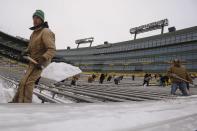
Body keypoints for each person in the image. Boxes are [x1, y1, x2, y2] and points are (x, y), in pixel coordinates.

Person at [11, 10, 56, 103]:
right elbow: (30, 47)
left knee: (28, 84)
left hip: (40, 63)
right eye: (34, 18)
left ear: (42, 20)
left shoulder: (46, 32)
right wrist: (25, 52)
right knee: (22, 82)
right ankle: (15, 101)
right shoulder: (34, 33)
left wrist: (43, 59)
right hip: (32, 62)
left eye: (37, 18)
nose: (35, 20)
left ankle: (26, 105)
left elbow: (52, 49)